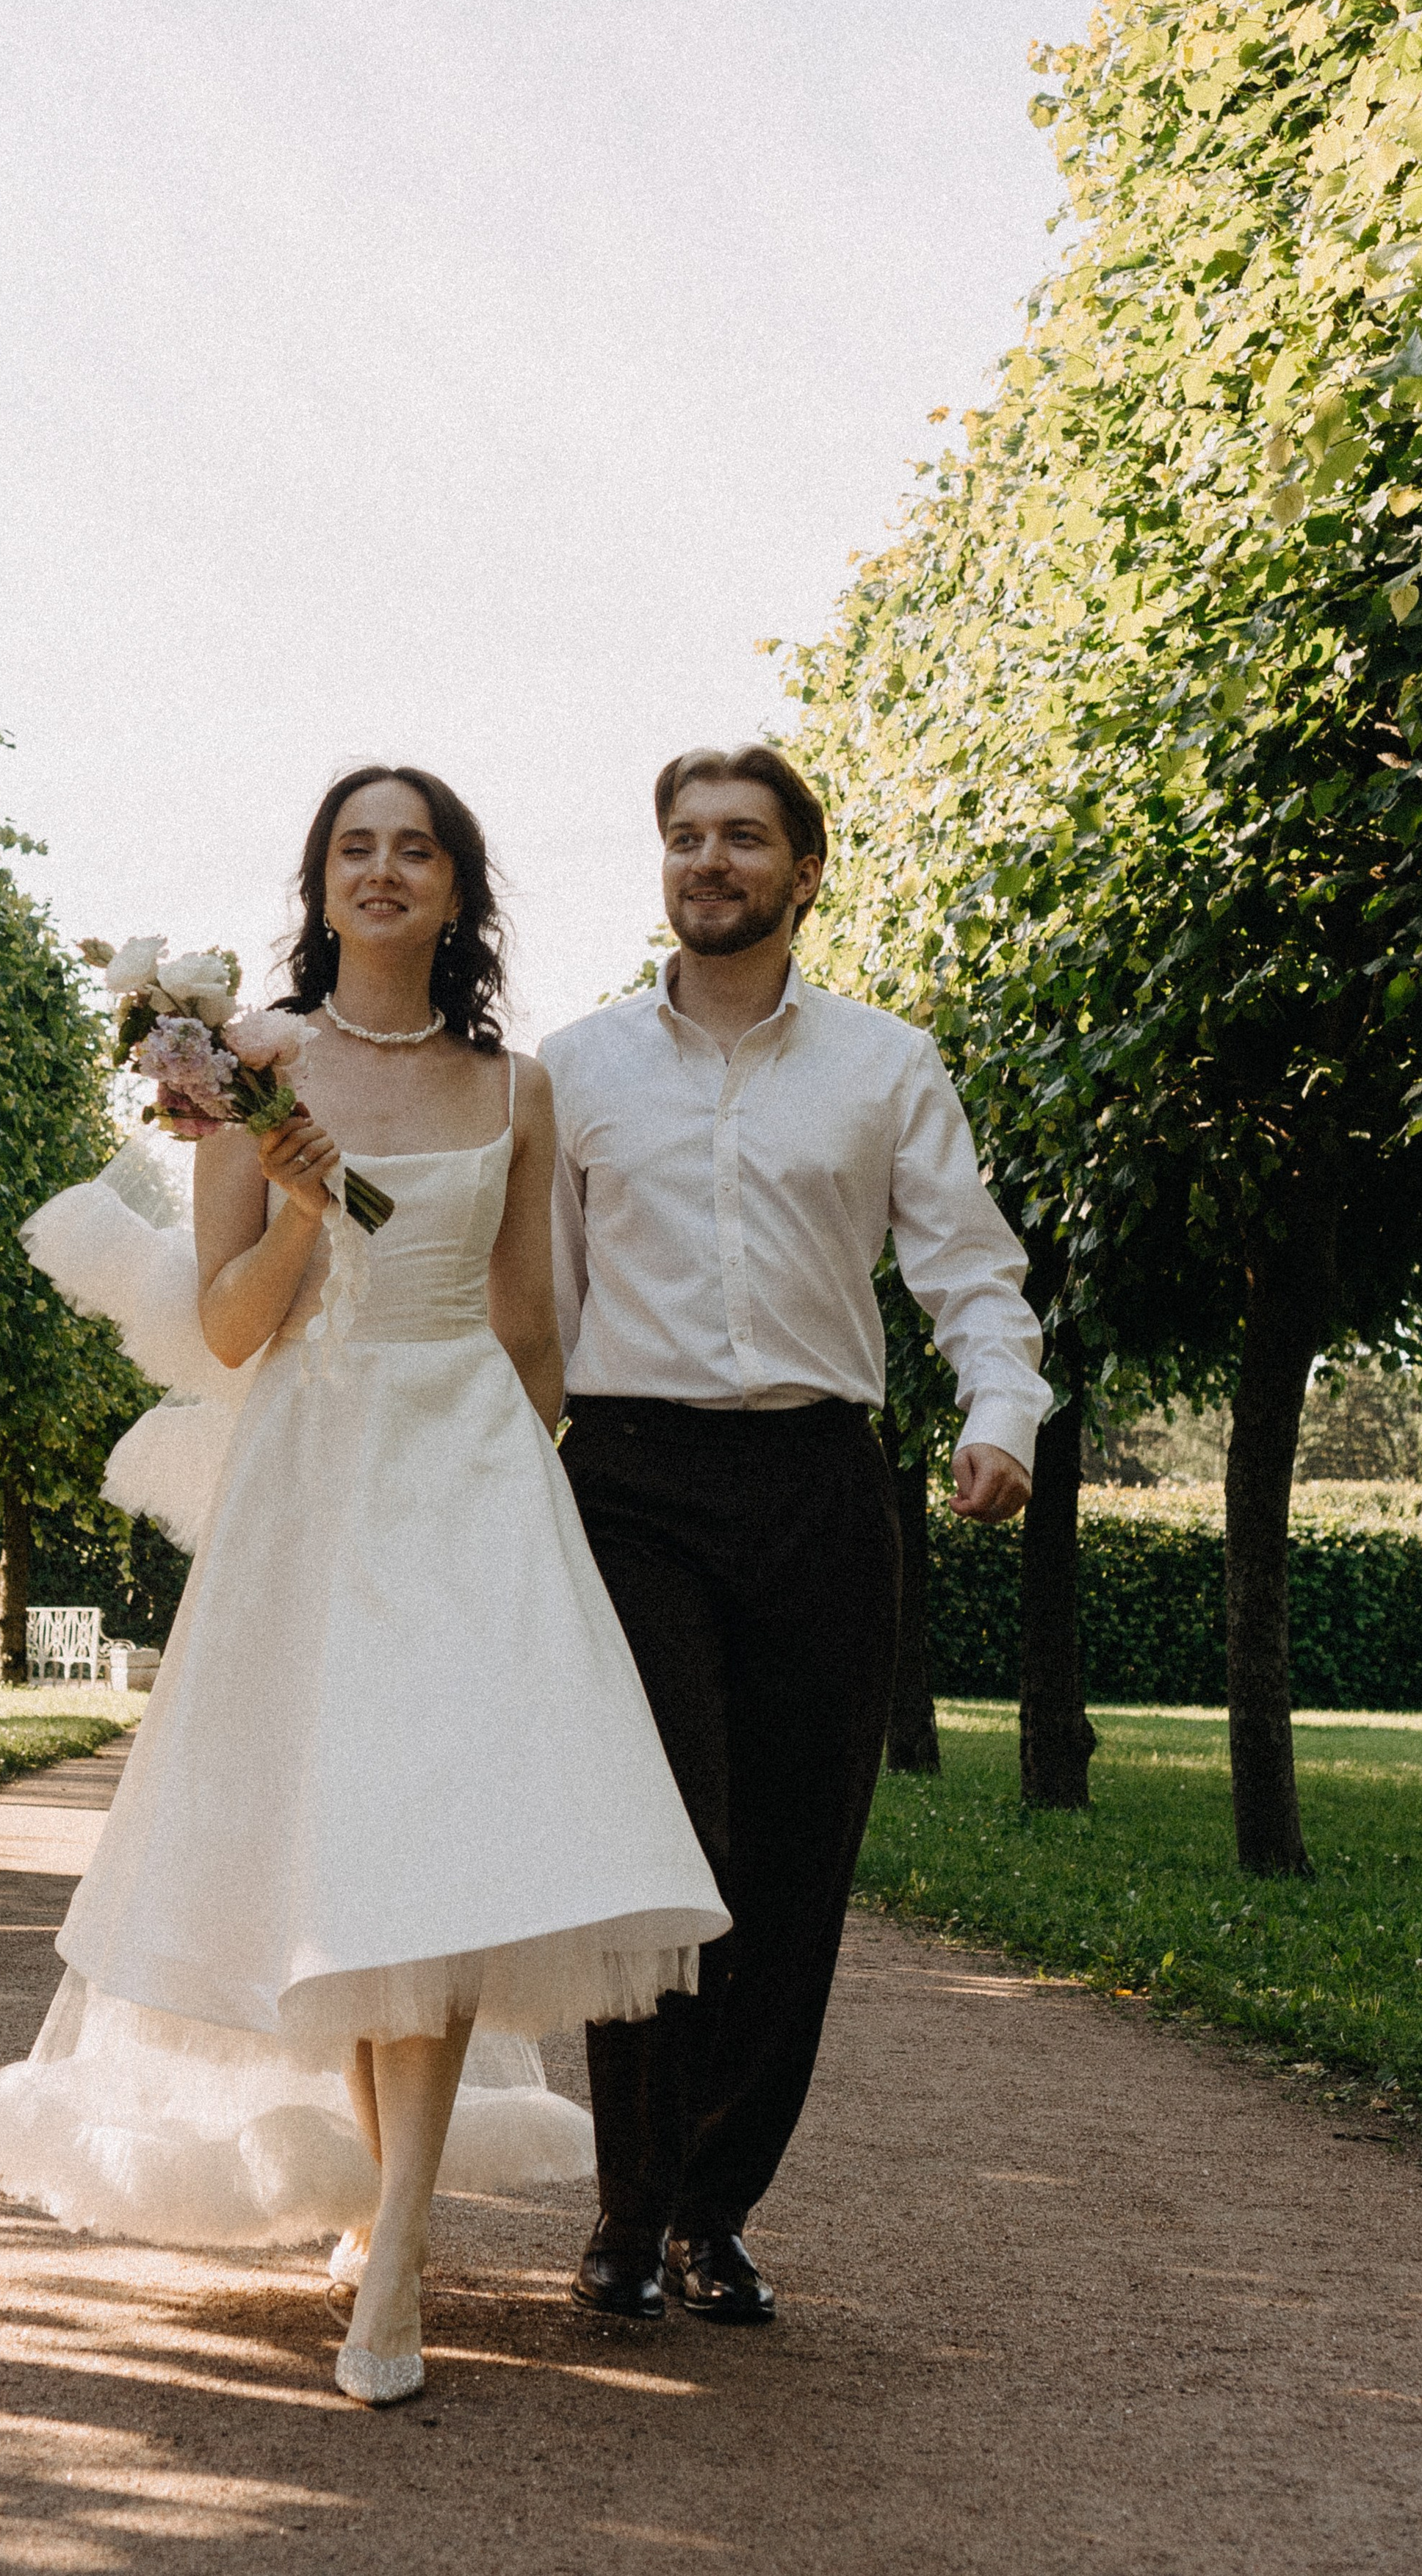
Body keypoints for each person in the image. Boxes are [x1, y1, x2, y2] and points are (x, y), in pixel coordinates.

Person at [0, 766, 727, 2408]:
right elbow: (231, 1331)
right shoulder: (247, 1071)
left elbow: (529, 1335)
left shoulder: (512, 1090)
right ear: (319, 886)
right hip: (315, 1479)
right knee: (346, 1852)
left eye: (416, 849)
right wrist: (300, 1208)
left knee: (433, 1856)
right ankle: (389, 2217)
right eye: (354, 849)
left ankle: (390, 2253)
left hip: (471, 1492)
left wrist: (539, 1525)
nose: (385, 872)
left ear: (455, 891)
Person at [541, 744, 1050, 2326]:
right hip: (627, 1483)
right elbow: (534, 1302)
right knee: (659, 1849)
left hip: (825, 1486)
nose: (708, 859)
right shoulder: (573, 1071)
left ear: (803, 870)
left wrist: (997, 1415)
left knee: (792, 1860)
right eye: (684, 837)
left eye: (741, 837)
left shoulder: (886, 1067)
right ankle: (628, 2212)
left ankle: (716, 2206)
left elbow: (968, 1267)